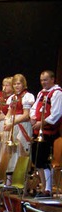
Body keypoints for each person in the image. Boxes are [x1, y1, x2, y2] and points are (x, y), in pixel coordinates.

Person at [29, 70, 61, 198]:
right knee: (37, 161)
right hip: (38, 131)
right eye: (42, 80)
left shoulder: (57, 93)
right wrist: (32, 117)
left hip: (49, 132)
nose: (43, 82)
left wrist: (41, 123)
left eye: (46, 80)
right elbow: (34, 107)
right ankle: (43, 186)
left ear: (53, 79)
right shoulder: (41, 93)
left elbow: (57, 113)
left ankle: (47, 189)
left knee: (44, 160)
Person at [3, 74, 34, 186]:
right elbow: (9, 113)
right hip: (13, 125)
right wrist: (6, 122)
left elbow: (26, 115)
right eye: (15, 83)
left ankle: (22, 183)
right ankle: (9, 182)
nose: (16, 86)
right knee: (11, 153)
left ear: (23, 84)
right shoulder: (12, 98)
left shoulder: (27, 96)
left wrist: (12, 122)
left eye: (19, 83)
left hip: (23, 125)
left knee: (22, 153)